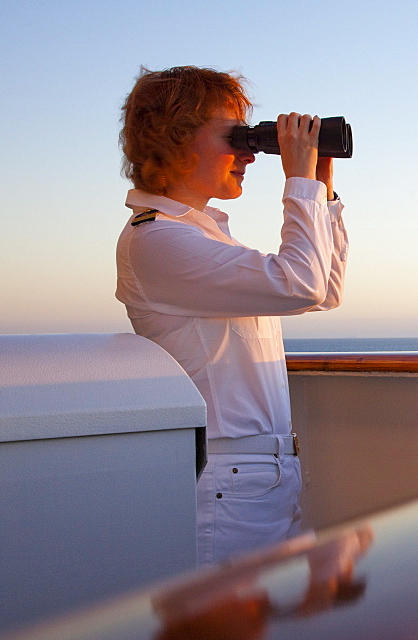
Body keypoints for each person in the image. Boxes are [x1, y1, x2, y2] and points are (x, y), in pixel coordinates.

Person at [116, 66, 348, 565]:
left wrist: (321, 186)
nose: (248, 153)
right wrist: (297, 180)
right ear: (174, 140)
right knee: (230, 638)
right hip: (229, 480)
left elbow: (324, 290)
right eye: (235, 136)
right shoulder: (158, 240)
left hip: (259, 476)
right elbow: (300, 284)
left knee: (264, 635)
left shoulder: (203, 235)